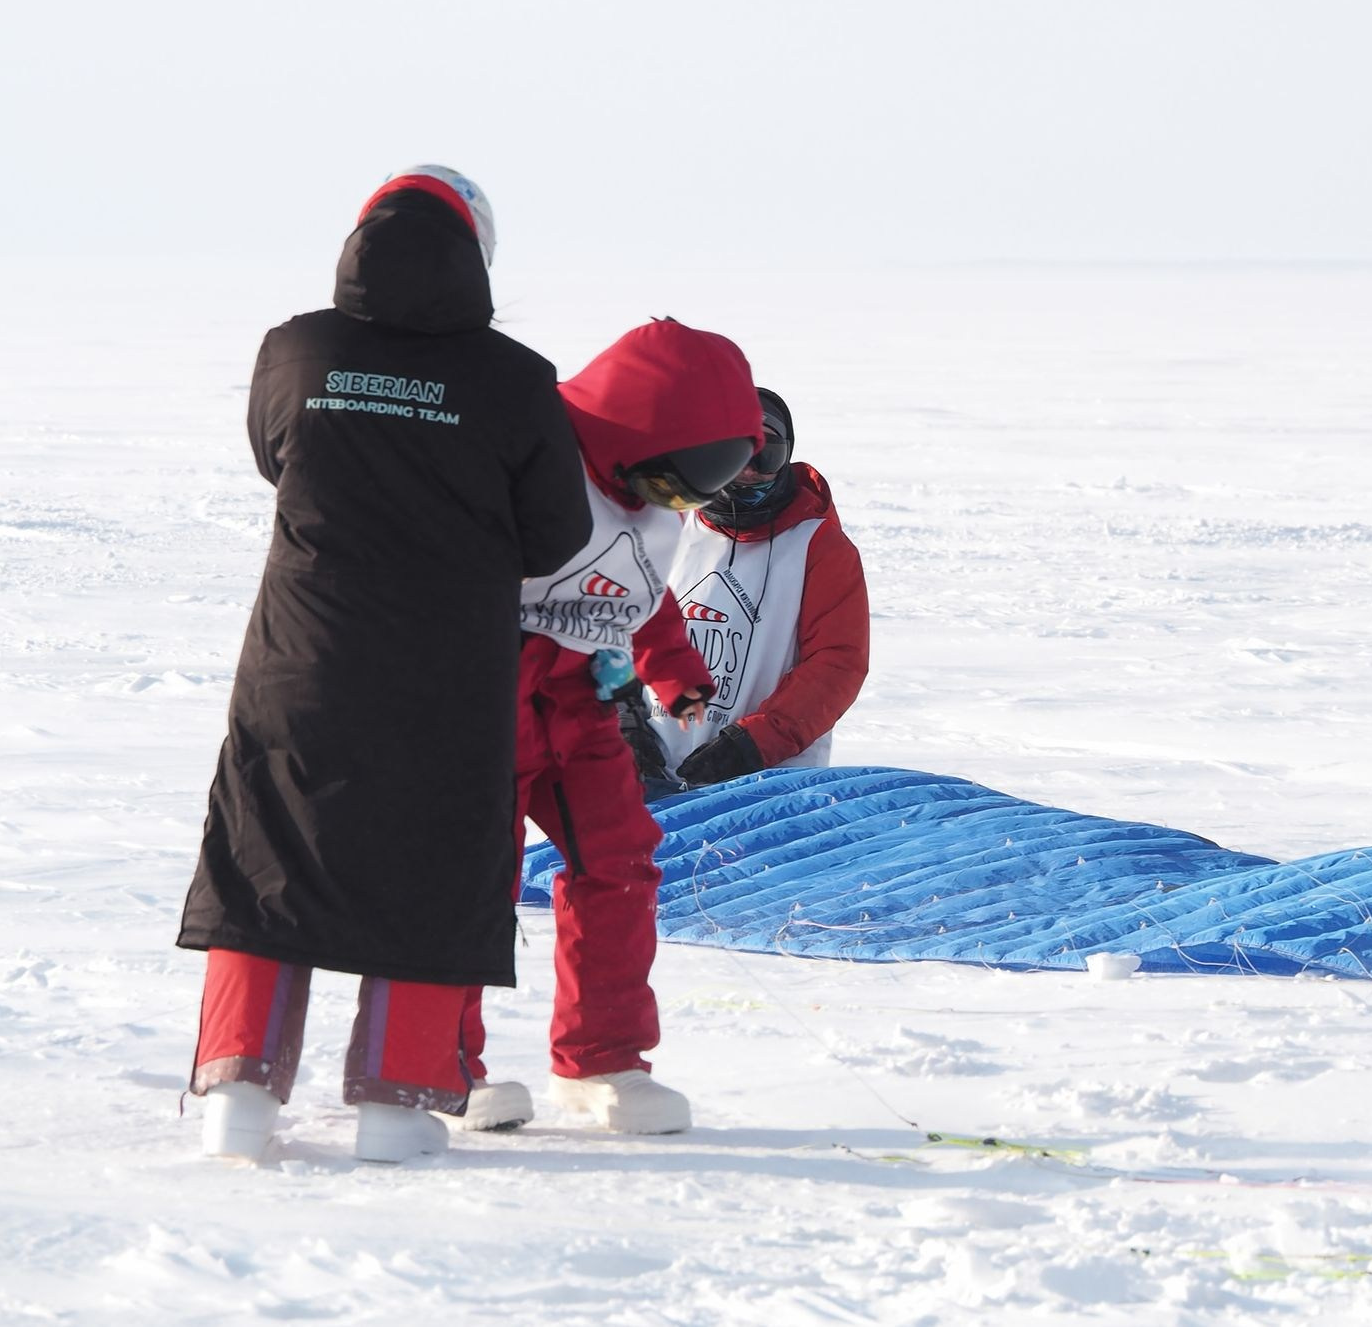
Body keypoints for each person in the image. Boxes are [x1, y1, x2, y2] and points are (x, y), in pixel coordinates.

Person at [178, 165, 590, 1165]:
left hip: (301, 659)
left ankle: (238, 1097)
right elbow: (556, 534)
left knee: (268, 855)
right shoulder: (515, 380)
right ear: (478, 254)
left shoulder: (296, 350)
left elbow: (277, 457)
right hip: (444, 676)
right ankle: (398, 1109)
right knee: (431, 868)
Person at [457, 318, 761, 1136]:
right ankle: (442, 1059)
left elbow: (638, 588)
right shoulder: (531, 459)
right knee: (467, 876)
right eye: (674, 487)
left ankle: (603, 1060)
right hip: (486, 695)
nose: (679, 508)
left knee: (621, 857)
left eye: (695, 496)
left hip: (583, 705)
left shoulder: (649, 510)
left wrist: (679, 675)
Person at [620, 388, 870, 794]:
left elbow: (836, 665)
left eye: (766, 456)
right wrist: (624, 724)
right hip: (650, 771)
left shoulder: (819, 546)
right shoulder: (665, 525)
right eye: (734, 454)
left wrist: (752, 745)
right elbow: (611, 634)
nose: (748, 471)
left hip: (765, 782)